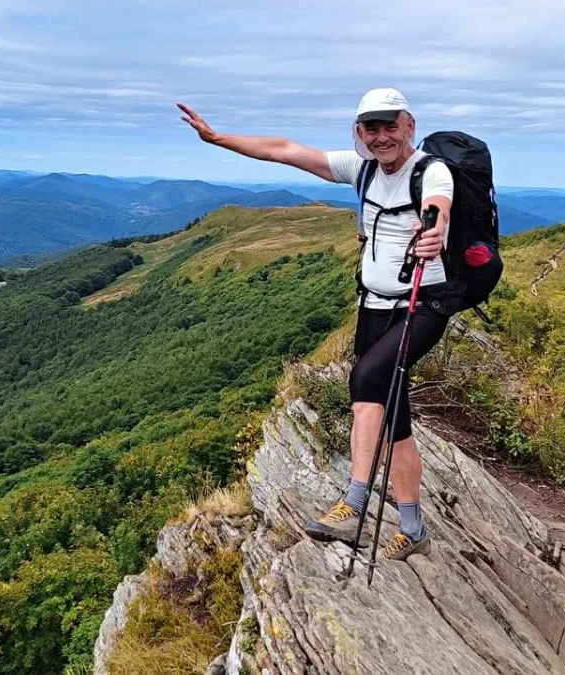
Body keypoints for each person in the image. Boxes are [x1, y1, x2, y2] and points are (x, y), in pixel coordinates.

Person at [178, 87, 453, 561]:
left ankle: (353, 503)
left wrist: (434, 231)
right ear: (359, 133)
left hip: (420, 306)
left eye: (391, 125)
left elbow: (438, 206)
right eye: (372, 127)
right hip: (373, 306)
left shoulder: (432, 170)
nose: (382, 136)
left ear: (410, 125)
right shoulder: (360, 168)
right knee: (395, 420)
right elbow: (285, 151)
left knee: (366, 381)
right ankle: (413, 526)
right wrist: (218, 138)